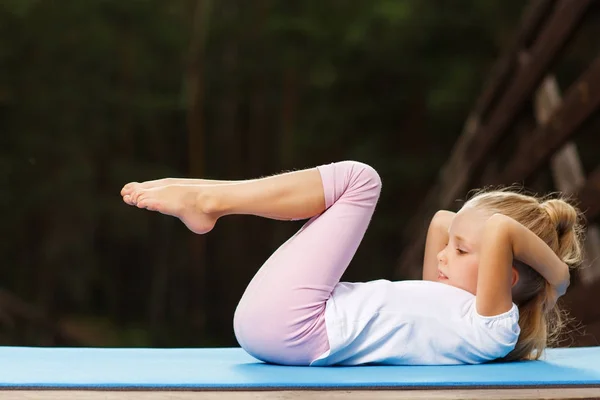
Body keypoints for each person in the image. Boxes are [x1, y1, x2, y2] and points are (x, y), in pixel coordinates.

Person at [120, 160, 581, 366]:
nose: (442, 252)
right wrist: (466, 234)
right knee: (358, 181)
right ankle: (207, 194)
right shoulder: (451, 311)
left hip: (299, 329)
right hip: (287, 328)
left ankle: (209, 199)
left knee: (361, 180)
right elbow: (444, 219)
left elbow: (499, 233)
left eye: (460, 252)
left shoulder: (490, 330)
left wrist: (558, 276)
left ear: (505, 276)